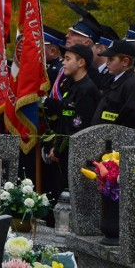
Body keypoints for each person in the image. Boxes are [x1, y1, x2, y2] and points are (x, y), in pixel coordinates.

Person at [44, 44, 99, 193]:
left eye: (68, 59)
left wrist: (60, 150)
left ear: (81, 63)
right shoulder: (73, 86)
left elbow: (78, 127)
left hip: (74, 155)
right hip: (64, 153)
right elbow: (64, 118)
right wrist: (56, 146)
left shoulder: (87, 90)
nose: (63, 62)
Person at [90, 40, 135, 129]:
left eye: (111, 59)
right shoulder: (113, 80)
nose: (107, 62)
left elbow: (132, 120)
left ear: (125, 62)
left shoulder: (132, 85)